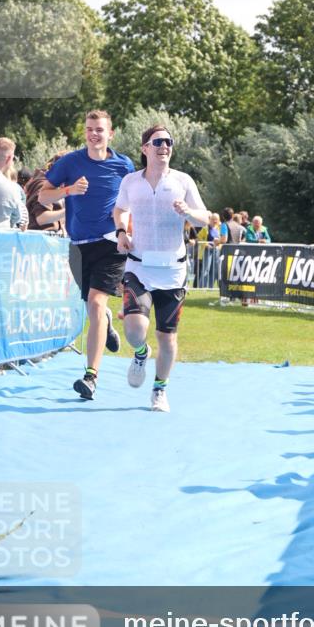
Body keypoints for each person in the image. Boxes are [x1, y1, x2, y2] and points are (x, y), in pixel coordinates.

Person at [38, 110, 135, 399]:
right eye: (90, 129)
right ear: (85, 132)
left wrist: (130, 232)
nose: (94, 134)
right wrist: (68, 190)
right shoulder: (70, 162)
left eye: (100, 130)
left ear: (110, 133)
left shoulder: (123, 165)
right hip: (79, 245)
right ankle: (104, 321)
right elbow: (43, 197)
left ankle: (90, 377)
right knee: (94, 306)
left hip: (110, 242)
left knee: (94, 301)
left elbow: (133, 202)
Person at [113, 123, 210, 412]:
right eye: (157, 142)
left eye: (168, 142)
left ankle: (159, 390)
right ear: (145, 149)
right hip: (139, 266)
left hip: (173, 270)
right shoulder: (131, 181)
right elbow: (120, 209)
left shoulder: (183, 181)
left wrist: (189, 212)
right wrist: (121, 233)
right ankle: (141, 354)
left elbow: (204, 218)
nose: (164, 147)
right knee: (134, 332)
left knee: (167, 337)